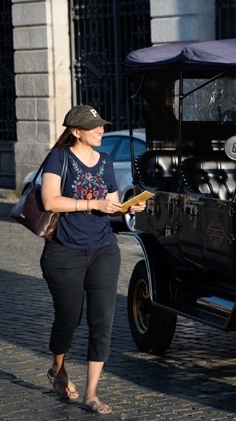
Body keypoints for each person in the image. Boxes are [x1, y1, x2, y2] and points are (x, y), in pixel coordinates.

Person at [39, 105, 146, 415]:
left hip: (103, 249)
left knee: (102, 322)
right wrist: (93, 201)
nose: (101, 130)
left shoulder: (106, 161)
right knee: (68, 319)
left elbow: (110, 202)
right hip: (64, 251)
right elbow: (49, 200)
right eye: (94, 126)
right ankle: (58, 369)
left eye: (101, 125)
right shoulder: (58, 158)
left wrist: (126, 208)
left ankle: (91, 393)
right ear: (76, 131)